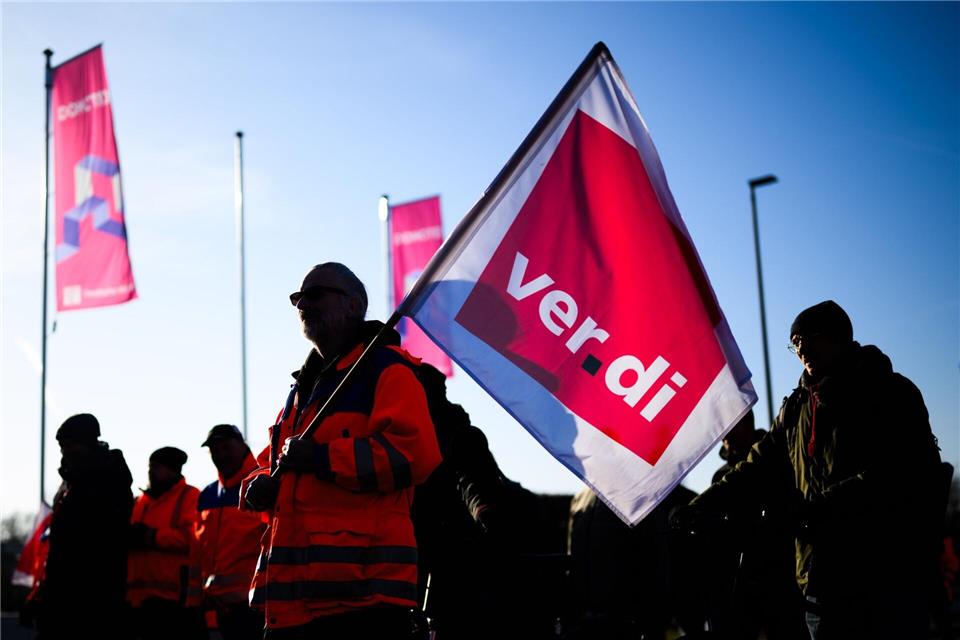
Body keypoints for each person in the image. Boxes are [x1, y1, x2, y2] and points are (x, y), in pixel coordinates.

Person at [675, 300, 942, 639]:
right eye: (795, 342)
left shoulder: (889, 392)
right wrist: (701, 506)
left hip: (887, 576)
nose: (800, 349)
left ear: (838, 336)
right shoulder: (795, 410)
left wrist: (815, 511)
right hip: (821, 582)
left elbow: (901, 474)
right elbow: (755, 467)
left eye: (808, 338)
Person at [240, 262, 442, 638]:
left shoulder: (387, 370)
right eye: (298, 298)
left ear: (353, 305)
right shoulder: (301, 391)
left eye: (315, 295)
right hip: (290, 608)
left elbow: (415, 455)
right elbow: (271, 464)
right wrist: (257, 485)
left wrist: (321, 458)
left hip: (363, 604)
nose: (303, 304)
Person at [23, 413, 133, 639]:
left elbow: (104, 541)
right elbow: (60, 547)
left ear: (88, 443)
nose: (65, 451)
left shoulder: (109, 479)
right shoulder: (70, 483)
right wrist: (44, 594)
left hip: (95, 599)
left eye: (70, 445)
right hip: (63, 596)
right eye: (62, 446)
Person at [195, 424, 267, 640]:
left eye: (226, 447)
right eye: (214, 450)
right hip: (216, 606)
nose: (220, 455)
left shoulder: (263, 484)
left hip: (256, 606)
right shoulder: (208, 495)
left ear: (242, 445)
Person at [128, 446, 205, 640]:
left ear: (173, 470)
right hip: (138, 601)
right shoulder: (140, 502)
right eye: (150, 466)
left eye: (156, 467)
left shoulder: (190, 497)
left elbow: (191, 539)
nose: (150, 471)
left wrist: (150, 536)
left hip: (173, 602)